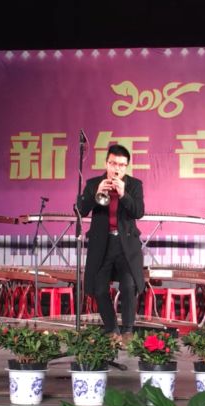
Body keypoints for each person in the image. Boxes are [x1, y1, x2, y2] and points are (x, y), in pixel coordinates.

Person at [77, 144, 145, 345]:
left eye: (122, 165)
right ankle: (111, 330)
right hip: (102, 243)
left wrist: (124, 194)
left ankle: (128, 330)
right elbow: (81, 210)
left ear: (126, 167)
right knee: (99, 288)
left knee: (128, 285)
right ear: (106, 163)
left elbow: (138, 212)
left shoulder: (134, 185)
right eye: (113, 163)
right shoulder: (93, 183)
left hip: (126, 245)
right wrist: (95, 193)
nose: (117, 168)